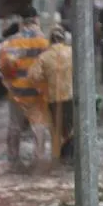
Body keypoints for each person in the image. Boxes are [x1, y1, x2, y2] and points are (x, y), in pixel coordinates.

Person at [0, 5, 50, 171]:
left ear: (22, 21)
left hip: (17, 92)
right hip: (37, 92)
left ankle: (13, 160)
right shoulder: (44, 42)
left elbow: (3, 64)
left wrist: (11, 81)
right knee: (38, 126)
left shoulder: (11, 41)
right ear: (36, 19)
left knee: (15, 127)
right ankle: (38, 159)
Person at [28, 25, 74, 162]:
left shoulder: (44, 57)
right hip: (70, 98)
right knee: (71, 128)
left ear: (51, 39)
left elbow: (33, 76)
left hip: (53, 99)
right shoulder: (72, 53)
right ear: (63, 38)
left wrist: (44, 85)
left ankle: (58, 157)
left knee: (55, 131)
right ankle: (70, 156)